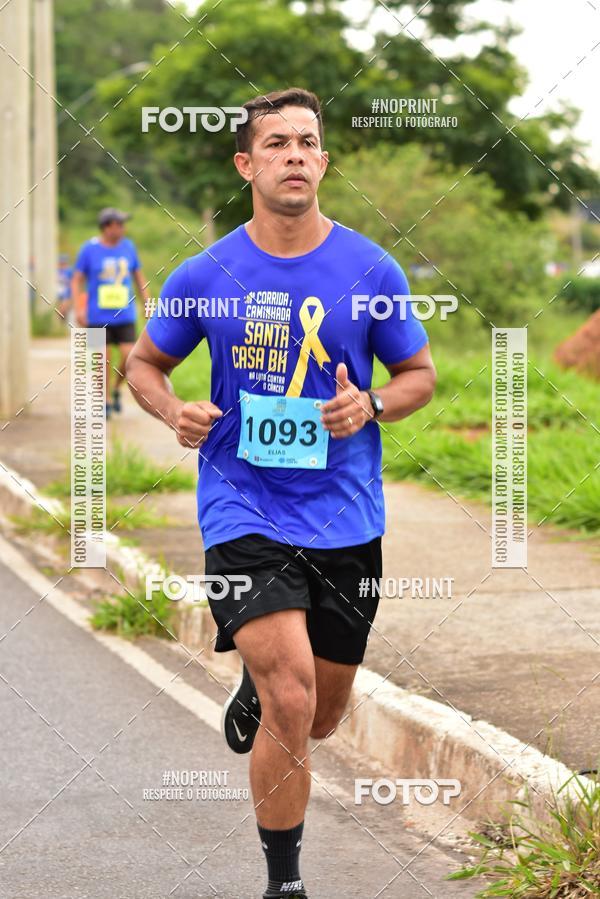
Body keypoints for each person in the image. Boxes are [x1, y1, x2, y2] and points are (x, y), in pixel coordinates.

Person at [126, 88, 436, 899]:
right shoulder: (208, 271)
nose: (294, 154)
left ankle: (256, 681)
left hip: (346, 514)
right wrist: (174, 411)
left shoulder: (372, 268)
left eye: (307, 142)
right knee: (291, 696)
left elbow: (420, 377)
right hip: (241, 504)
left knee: (324, 712)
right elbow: (143, 364)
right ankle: (285, 884)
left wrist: (369, 402)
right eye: (277, 143)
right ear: (247, 163)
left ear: (324, 162)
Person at [71, 208, 150, 417]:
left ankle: (116, 388)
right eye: (119, 224)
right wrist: (78, 308)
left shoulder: (128, 247)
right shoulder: (89, 249)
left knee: (129, 357)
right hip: (97, 316)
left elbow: (139, 278)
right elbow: (77, 279)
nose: (123, 228)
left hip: (124, 314)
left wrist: (147, 304)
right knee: (102, 360)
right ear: (107, 227)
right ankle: (104, 400)